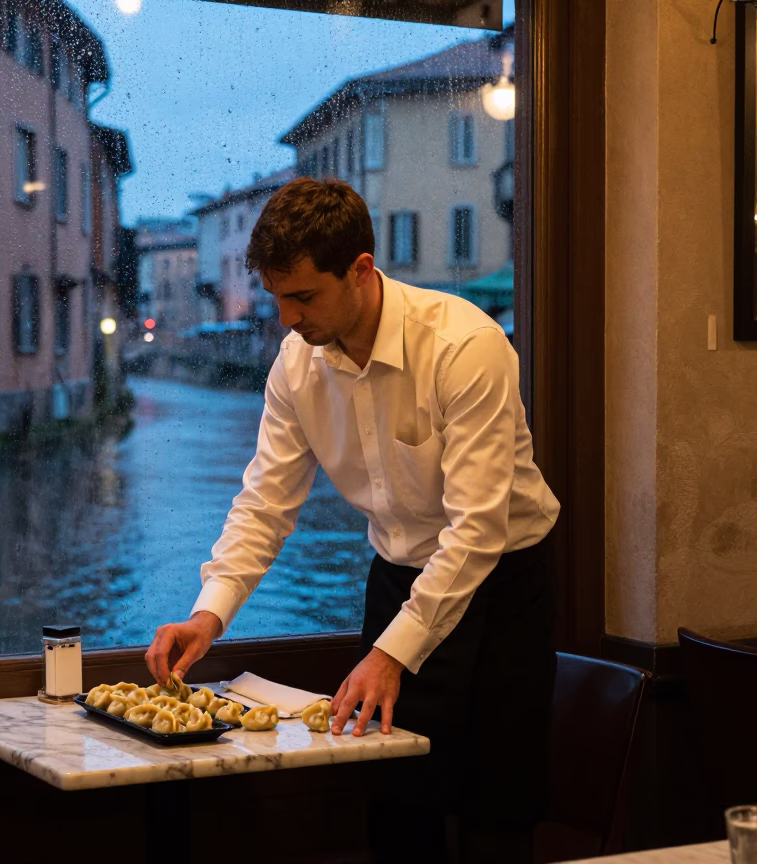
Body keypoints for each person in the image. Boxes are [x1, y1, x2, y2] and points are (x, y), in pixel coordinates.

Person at [144, 178, 560, 864]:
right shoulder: (296, 364)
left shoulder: (464, 346)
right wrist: (209, 614)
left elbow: (477, 530)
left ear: (361, 270)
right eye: (278, 297)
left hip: (503, 586)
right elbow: (264, 504)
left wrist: (390, 655)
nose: (286, 319)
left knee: (494, 815)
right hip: (397, 579)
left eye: (303, 297)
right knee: (396, 810)